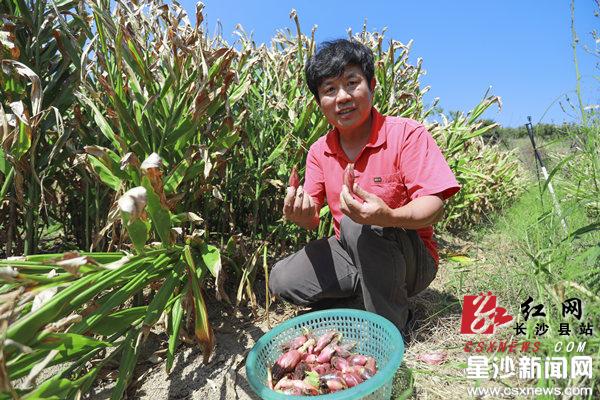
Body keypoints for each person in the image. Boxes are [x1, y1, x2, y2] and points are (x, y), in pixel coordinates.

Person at [268, 39, 460, 333]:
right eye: (329, 90)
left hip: (411, 258)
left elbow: (434, 205)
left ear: (371, 85)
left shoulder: (407, 134)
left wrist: (389, 217)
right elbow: (311, 214)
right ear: (319, 101)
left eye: (351, 83)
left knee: (357, 224)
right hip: (351, 251)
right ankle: (367, 298)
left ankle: (392, 325)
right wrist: (301, 215)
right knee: (282, 278)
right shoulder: (319, 151)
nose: (342, 97)